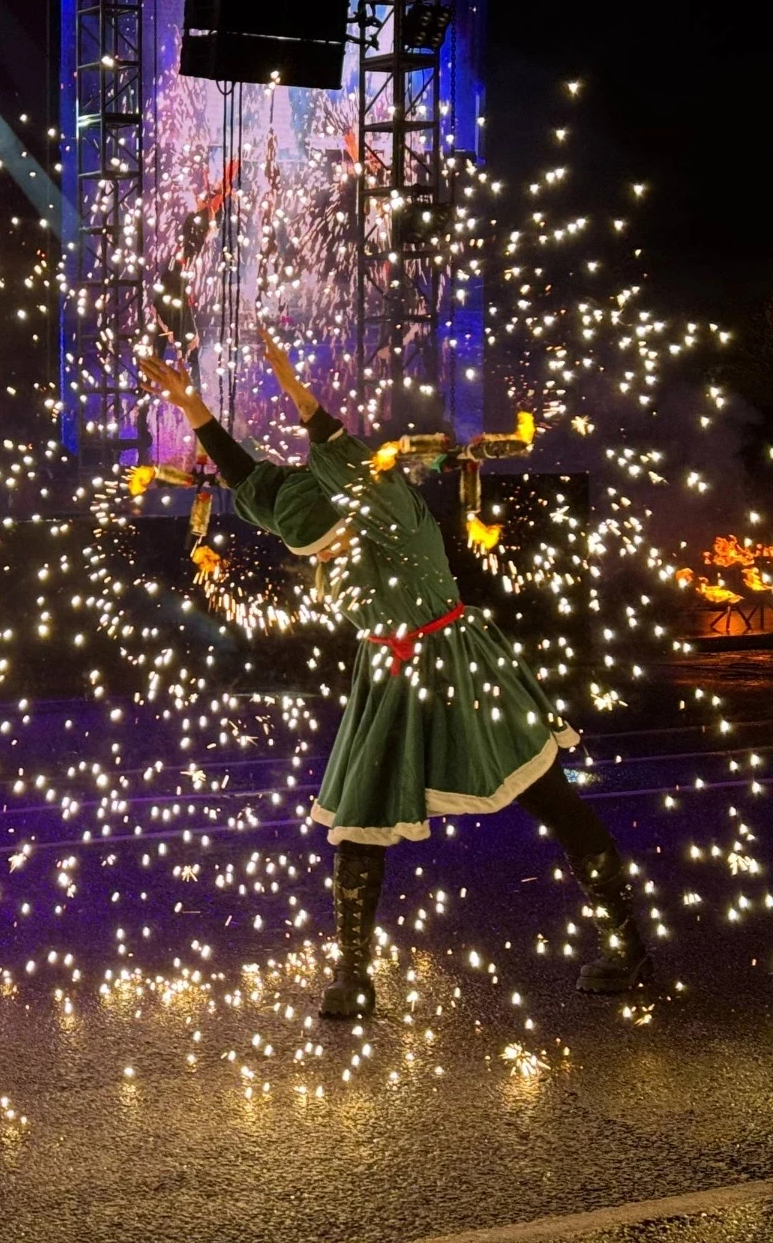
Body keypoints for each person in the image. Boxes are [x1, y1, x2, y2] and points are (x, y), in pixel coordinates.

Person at [138, 332, 649, 1019]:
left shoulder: (395, 516)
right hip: (387, 673)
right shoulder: (314, 519)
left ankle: (626, 945)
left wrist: (298, 395)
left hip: (460, 667)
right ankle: (353, 975)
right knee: (359, 819)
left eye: (330, 542)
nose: (326, 556)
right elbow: (252, 483)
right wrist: (195, 410)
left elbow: (345, 458)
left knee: (549, 797)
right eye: (315, 551)